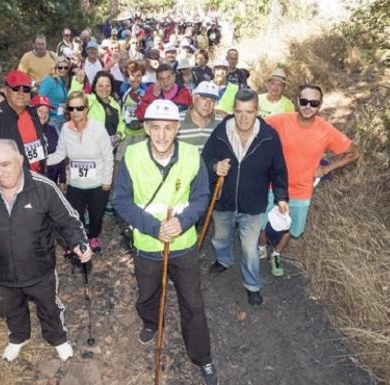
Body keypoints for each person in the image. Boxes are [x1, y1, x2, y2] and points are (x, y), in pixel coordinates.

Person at [112, 99, 218, 385]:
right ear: (146, 128)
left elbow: (201, 198)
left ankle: (202, 356)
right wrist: (153, 227)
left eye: (168, 128)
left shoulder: (192, 156)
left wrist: (181, 222)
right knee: (147, 294)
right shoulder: (132, 156)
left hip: (183, 244)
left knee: (193, 302)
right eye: (156, 127)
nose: (162, 134)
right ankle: (150, 322)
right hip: (147, 244)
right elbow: (120, 200)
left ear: (177, 129)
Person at [0, 139, 93, 362]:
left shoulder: (43, 187)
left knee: (49, 307)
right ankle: (18, 337)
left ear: (20, 161)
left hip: (40, 269)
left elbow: (68, 221)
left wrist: (77, 242)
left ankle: (57, 338)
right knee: (11, 308)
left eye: (5, 164)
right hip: (2, 270)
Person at [259, 84, 359, 275]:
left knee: (289, 227)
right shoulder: (280, 121)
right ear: (297, 101)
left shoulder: (326, 130)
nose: (308, 106)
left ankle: (277, 255)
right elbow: (254, 127)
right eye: (304, 101)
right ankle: (262, 249)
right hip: (274, 185)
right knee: (264, 222)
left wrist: (327, 168)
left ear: (319, 106)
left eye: (313, 103)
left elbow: (353, 153)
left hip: (302, 191)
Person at [202, 88, 288, 306]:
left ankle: (252, 285)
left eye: (249, 112)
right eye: (239, 111)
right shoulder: (221, 132)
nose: (243, 117)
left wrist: (281, 197)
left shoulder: (269, 137)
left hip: (252, 205)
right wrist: (215, 166)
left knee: (250, 250)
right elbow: (206, 157)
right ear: (233, 110)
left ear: (257, 111)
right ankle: (223, 260)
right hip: (223, 201)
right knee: (221, 237)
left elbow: (278, 171)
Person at [46, 91, 114, 253]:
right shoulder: (65, 129)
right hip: (76, 184)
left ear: (86, 109)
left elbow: (108, 156)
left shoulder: (98, 129)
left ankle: (93, 237)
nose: (76, 112)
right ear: (68, 111)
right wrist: (41, 160)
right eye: (72, 108)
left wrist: (107, 181)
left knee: (96, 214)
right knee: (75, 215)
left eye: (80, 108)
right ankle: (77, 242)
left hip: (97, 183)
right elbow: (60, 154)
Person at [0, 70, 46, 179]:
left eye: (25, 89)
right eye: (16, 89)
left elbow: (39, 150)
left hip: (36, 182)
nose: (21, 94)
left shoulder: (33, 114)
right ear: (6, 91)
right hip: (9, 186)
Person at [31, 96, 66, 191]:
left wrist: (62, 179)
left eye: (46, 112)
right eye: (40, 111)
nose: (44, 114)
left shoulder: (52, 130)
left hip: (52, 182)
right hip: (33, 184)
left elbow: (60, 154)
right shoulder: (27, 132)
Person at [117, 60, 148, 160]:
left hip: (141, 133)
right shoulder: (123, 89)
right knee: (120, 159)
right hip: (126, 131)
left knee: (140, 160)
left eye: (138, 75)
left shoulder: (146, 91)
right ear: (127, 76)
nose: (135, 78)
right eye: (132, 75)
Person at [177, 81, 220, 152]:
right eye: (203, 98)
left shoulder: (221, 123)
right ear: (194, 99)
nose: (208, 104)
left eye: (212, 100)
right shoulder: (176, 120)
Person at [38, 57, 71, 129]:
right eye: (60, 67)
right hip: (52, 120)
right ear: (55, 68)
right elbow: (40, 99)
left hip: (62, 118)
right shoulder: (49, 80)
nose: (63, 70)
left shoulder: (62, 81)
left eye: (65, 68)